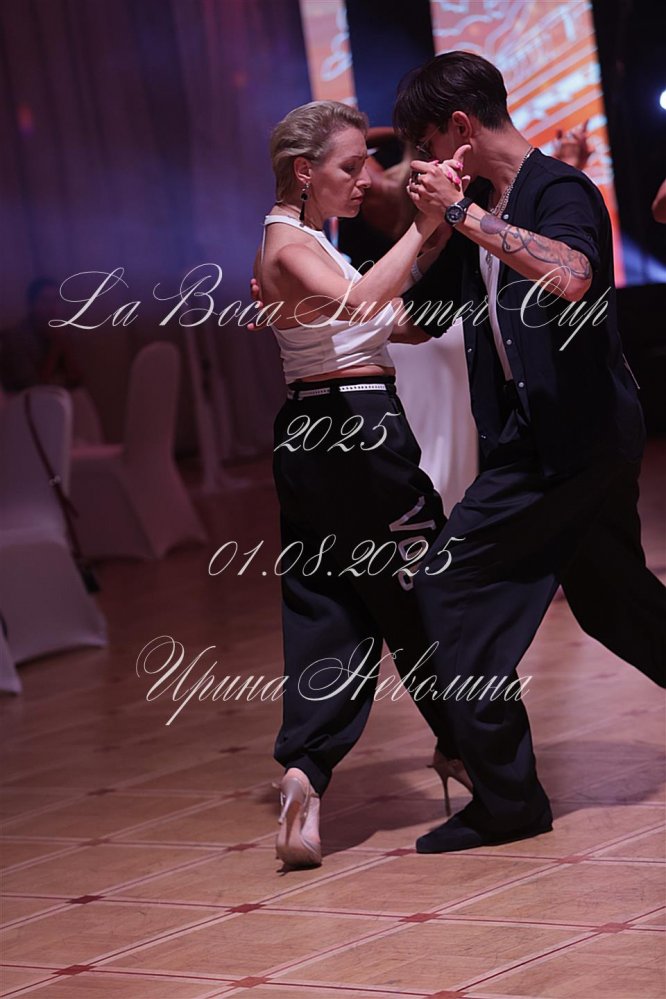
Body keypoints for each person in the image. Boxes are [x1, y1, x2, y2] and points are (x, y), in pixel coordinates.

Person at [388, 50, 666, 853]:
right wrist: (322, 312)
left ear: (461, 128)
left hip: (573, 441)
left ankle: (508, 799)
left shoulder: (556, 190)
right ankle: (505, 792)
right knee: (613, 602)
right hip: (541, 440)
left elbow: (573, 276)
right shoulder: (482, 205)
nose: (424, 162)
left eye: (427, 144)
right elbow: (414, 318)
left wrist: (462, 214)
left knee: (449, 585)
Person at [256, 100, 471, 868]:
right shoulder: (289, 245)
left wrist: (451, 230)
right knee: (424, 588)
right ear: (303, 171)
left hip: (316, 433)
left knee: (332, 601)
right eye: (349, 167)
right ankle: (467, 742)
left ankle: (305, 771)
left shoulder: (313, 242)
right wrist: (424, 226)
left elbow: (399, 322)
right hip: (356, 430)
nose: (364, 180)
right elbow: (361, 304)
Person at [0, 278, 81, 392]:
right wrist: (56, 346)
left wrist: (65, 346)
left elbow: (76, 380)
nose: (52, 307)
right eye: (44, 301)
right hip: (23, 399)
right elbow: (33, 387)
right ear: (31, 305)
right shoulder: (15, 339)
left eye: (56, 300)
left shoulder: (62, 331)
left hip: (59, 394)